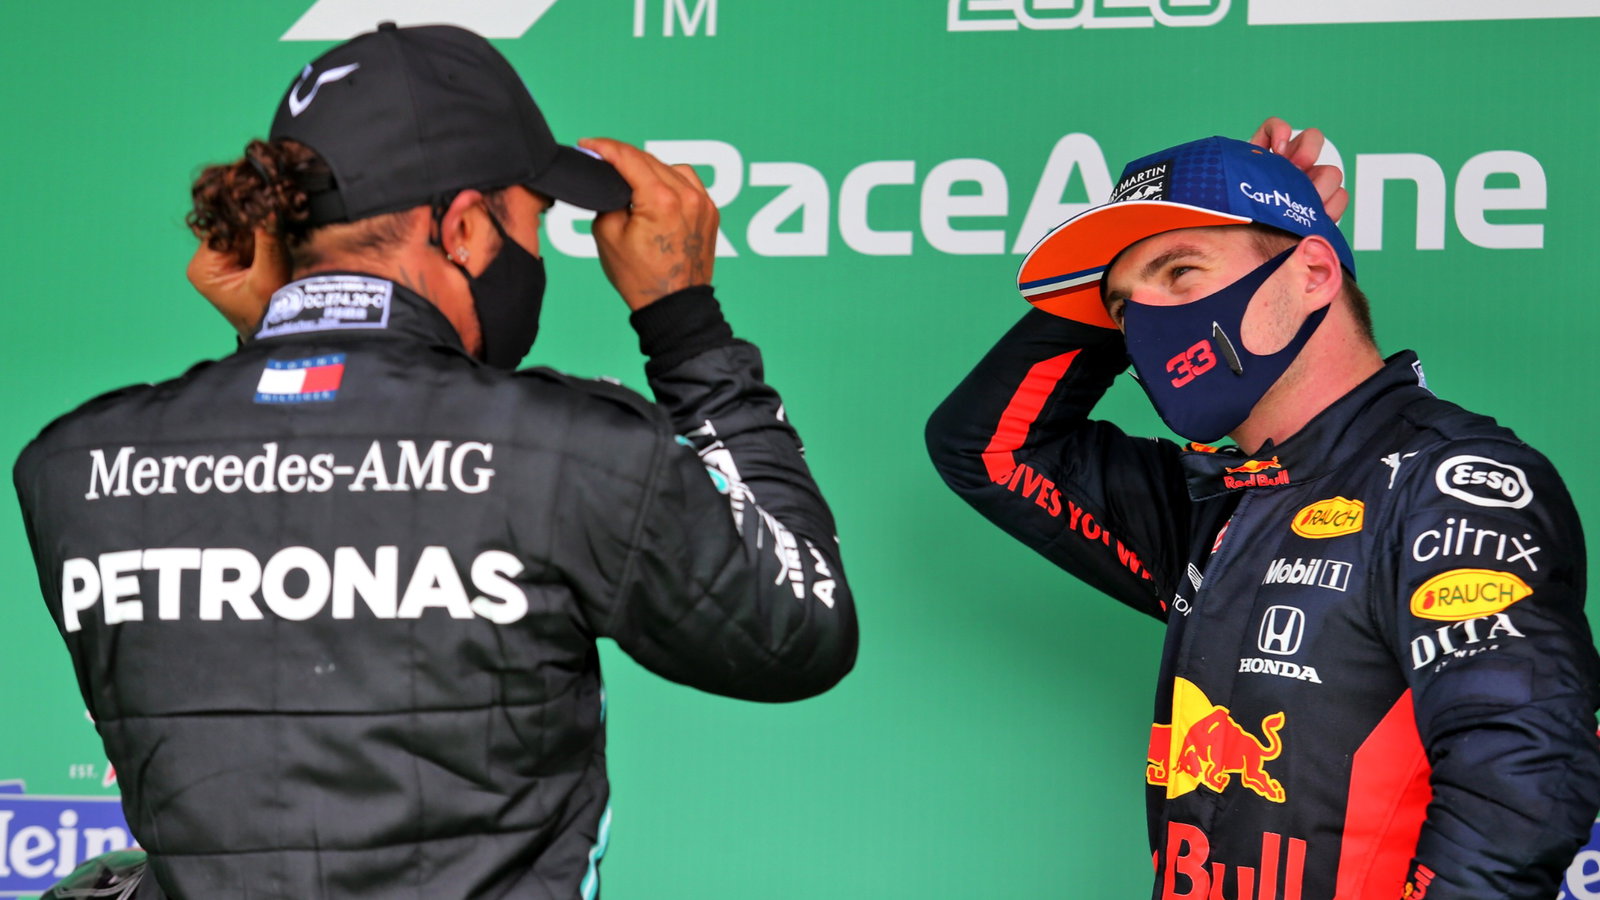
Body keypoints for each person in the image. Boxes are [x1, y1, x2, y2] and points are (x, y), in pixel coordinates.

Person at [14, 22, 856, 899]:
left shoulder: (78, 466)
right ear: (461, 226)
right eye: (531, 224)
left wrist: (276, 335)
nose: (534, 256)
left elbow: (297, 487)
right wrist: (686, 326)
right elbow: (798, 631)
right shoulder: (571, 451)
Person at [925, 121, 1600, 899]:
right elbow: (987, 447)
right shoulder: (1212, 505)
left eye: (1181, 272)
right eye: (1123, 310)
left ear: (1314, 273)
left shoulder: (1446, 479)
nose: (1146, 323)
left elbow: (1523, 772)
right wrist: (1128, 289)